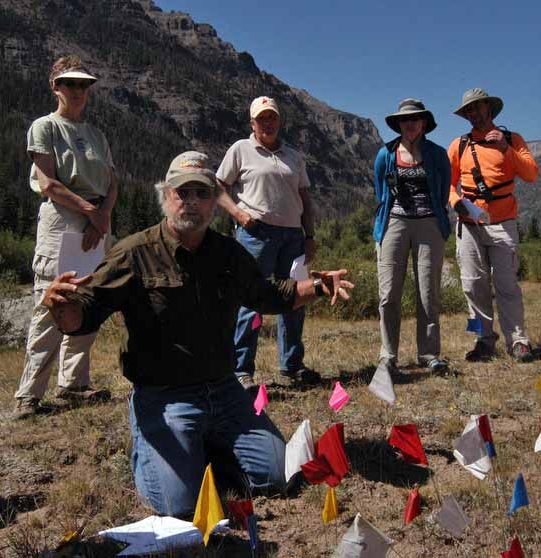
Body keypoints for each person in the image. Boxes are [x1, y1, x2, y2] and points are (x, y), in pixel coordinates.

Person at [41, 151, 353, 517]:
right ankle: (152, 441)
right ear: (165, 196)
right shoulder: (133, 253)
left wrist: (317, 285)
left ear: (213, 203)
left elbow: (268, 294)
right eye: (182, 192)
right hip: (164, 399)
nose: (191, 201)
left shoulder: (228, 253)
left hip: (225, 392)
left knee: (278, 478)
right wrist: (61, 308)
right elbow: (85, 313)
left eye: (202, 193)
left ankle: (203, 446)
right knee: (180, 508)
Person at [14, 56, 118, 419]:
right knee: (53, 299)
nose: (78, 91)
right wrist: (90, 212)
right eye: (70, 83)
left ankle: (74, 384)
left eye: (83, 85)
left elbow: (112, 181)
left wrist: (102, 215)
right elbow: (48, 182)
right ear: (55, 86)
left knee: (90, 296)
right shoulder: (44, 127)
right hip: (61, 219)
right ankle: (30, 394)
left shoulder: (97, 135)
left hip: (97, 220)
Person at [216, 96, 320, 388]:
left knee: (295, 299)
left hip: (292, 237)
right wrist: (238, 213)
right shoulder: (241, 149)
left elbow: (306, 199)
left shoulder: (293, 156)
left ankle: (292, 366)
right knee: (250, 301)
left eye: (272, 117)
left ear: (279, 121)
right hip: (255, 233)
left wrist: (309, 236)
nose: (268, 123)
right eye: (262, 119)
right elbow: (217, 185)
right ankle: (240, 369)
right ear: (252, 123)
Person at [449, 88, 540, 362]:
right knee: (472, 285)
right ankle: (483, 340)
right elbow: (446, 185)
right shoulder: (459, 145)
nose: (473, 113)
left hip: (503, 224)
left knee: (507, 285)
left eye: (477, 108)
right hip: (468, 226)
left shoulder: (513, 140)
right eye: (469, 110)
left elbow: (531, 174)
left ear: (489, 108)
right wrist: (456, 203)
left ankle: (518, 341)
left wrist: (506, 149)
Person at [373, 99, 451, 376]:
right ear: (398, 124)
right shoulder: (386, 154)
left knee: (428, 292)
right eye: (405, 120)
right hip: (393, 223)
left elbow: (443, 190)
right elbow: (379, 190)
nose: (410, 124)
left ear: (424, 123)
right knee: (389, 293)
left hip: (429, 224)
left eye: (415, 119)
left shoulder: (438, 154)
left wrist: (434, 216)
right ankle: (388, 355)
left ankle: (429, 354)